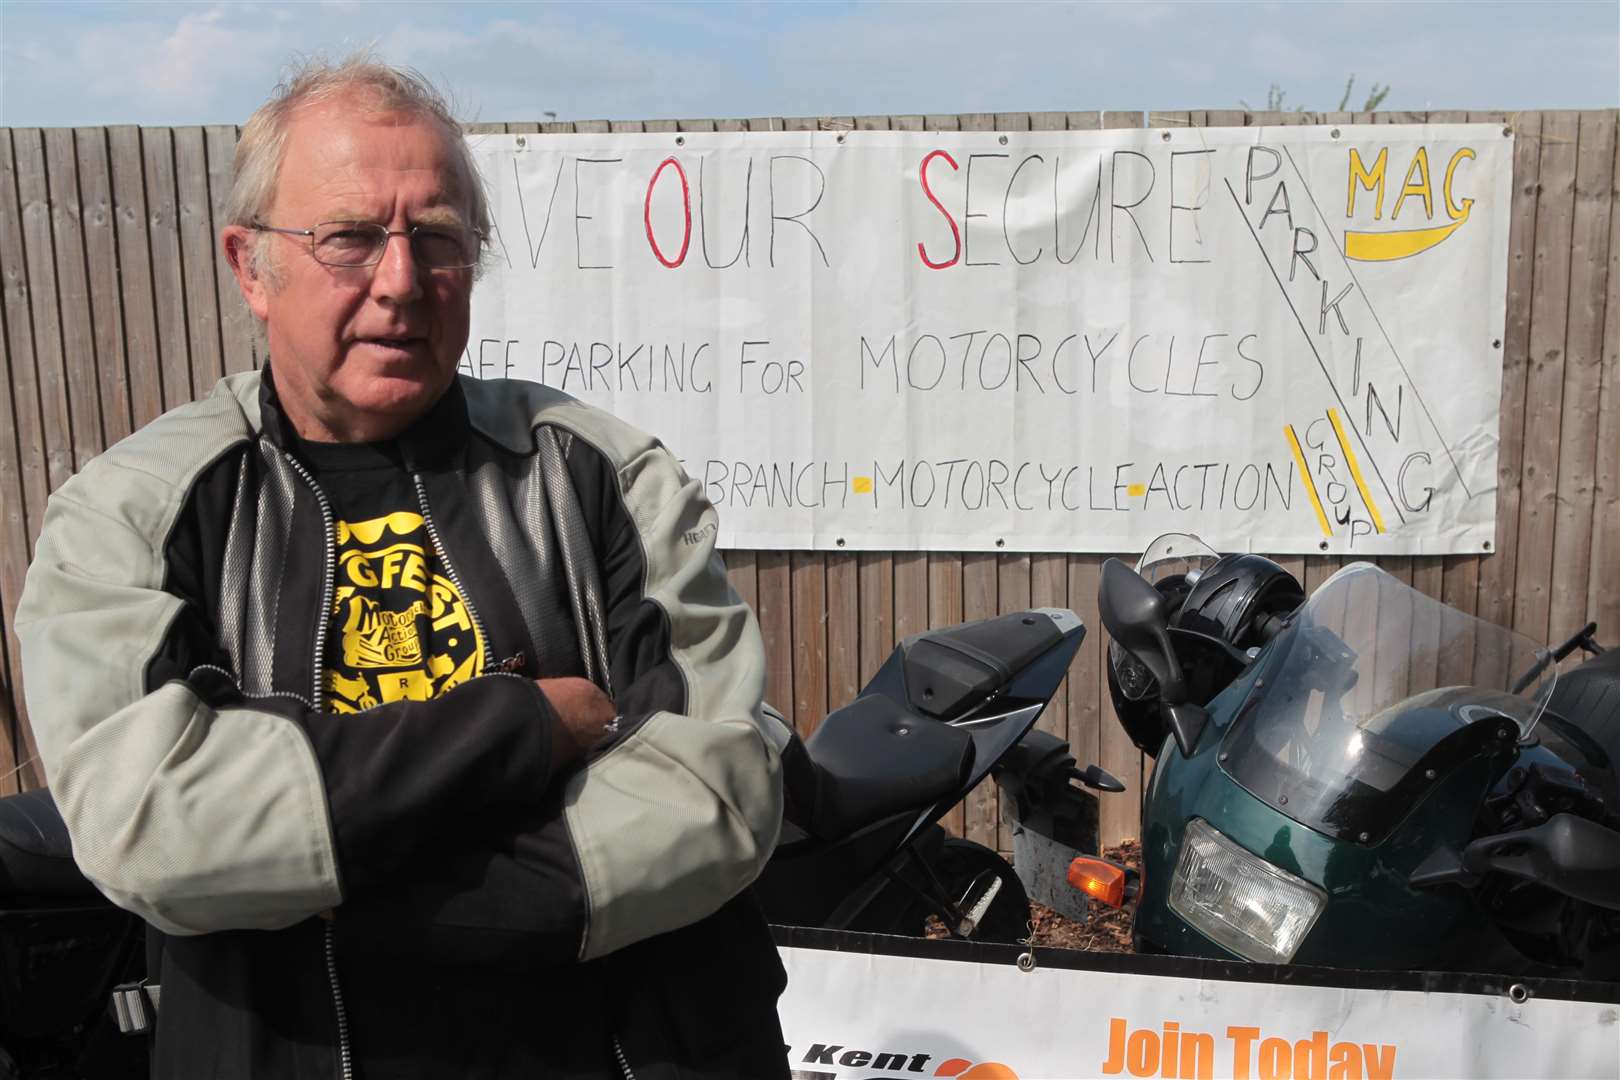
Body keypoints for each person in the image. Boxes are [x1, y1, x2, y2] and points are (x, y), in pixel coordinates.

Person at [16, 54, 788, 1079]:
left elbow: (718, 788)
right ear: (251, 266)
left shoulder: (607, 476)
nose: (399, 281)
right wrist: (525, 725)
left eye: (436, 238)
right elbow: (149, 826)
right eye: (347, 237)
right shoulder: (136, 511)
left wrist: (308, 897)